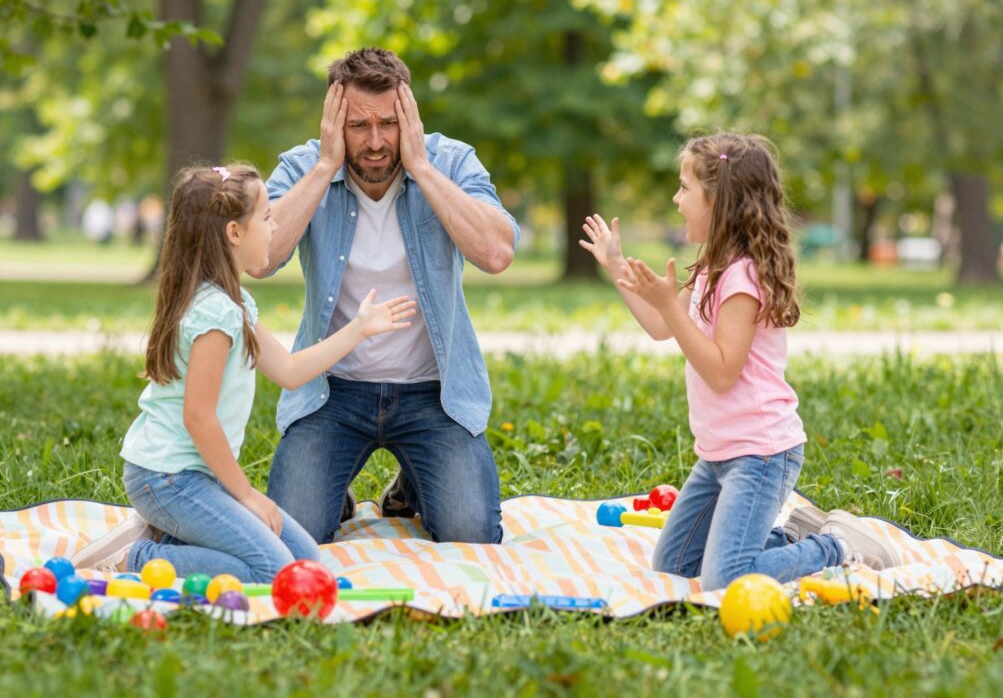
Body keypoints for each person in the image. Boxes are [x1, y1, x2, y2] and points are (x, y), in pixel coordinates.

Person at [579, 132, 899, 590]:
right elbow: (660, 326)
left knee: (726, 577)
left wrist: (670, 305)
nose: (676, 199)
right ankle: (791, 536)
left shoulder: (743, 276)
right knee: (674, 566)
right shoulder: (710, 265)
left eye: (685, 188)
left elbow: (722, 371)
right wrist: (614, 266)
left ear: (719, 200)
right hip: (718, 455)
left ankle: (837, 546)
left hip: (760, 454)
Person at [71, 164, 416, 582]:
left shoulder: (234, 303)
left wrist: (359, 328)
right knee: (275, 570)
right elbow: (198, 418)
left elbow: (290, 370)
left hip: (197, 478)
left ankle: (171, 537)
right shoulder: (215, 314)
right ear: (234, 232)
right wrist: (247, 494)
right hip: (166, 479)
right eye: (266, 217)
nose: (274, 227)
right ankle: (135, 555)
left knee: (306, 558)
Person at [252, 47, 518, 546]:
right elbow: (260, 259)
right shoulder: (304, 166)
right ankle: (336, 492)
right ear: (334, 121)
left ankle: (411, 487)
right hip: (332, 392)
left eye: (389, 123)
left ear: (409, 116)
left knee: (472, 534)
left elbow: (497, 253)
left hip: (433, 394)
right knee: (294, 536)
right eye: (358, 125)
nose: (375, 142)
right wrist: (325, 165)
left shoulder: (450, 161)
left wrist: (421, 167)